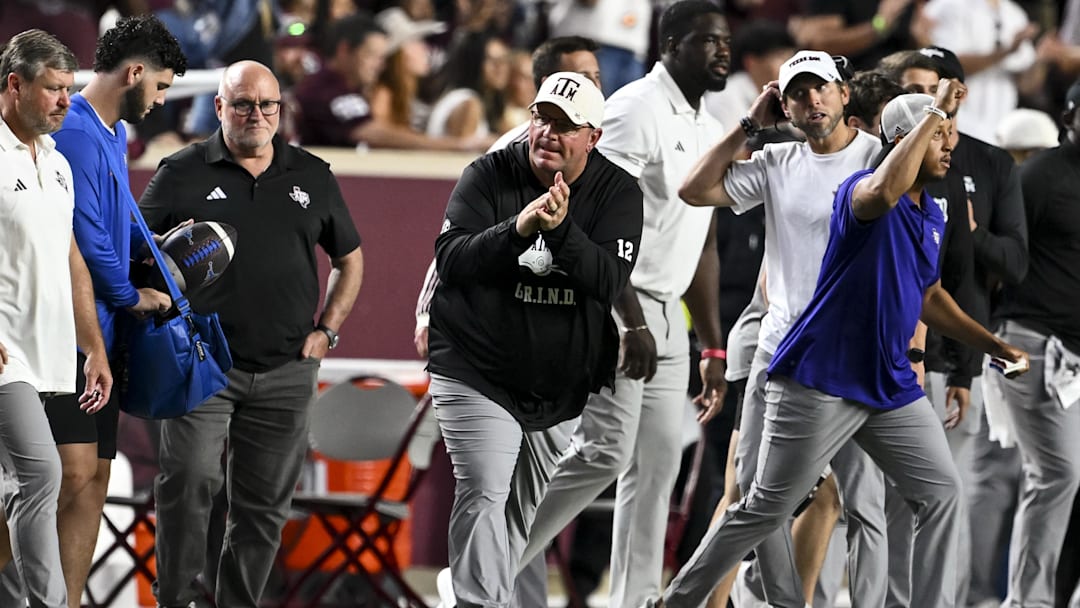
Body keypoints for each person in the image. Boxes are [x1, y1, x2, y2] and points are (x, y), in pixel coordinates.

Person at [653, 83, 1031, 608]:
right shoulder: (858, 193)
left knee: (941, 493)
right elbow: (882, 192)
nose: (949, 146)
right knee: (763, 506)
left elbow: (930, 297)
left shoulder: (935, 212)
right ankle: (675, 601)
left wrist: (996, 347)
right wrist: (935, 109)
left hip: (887, 381)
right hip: (819, 375)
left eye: (951, 134)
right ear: (900, 143)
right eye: (939, 135)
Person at [511, 4, 730, 606]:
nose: (722, 51)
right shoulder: (634, 108)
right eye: (708, 41)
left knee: (658, 469)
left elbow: (702, 238)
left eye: (726, 41)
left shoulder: (710, 124)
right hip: (618, 300)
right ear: (668, 44)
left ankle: (634, 600)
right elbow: (596, 216)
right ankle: (490, 557)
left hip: (668, 314)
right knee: (606, 452)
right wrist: (626, 315)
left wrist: (711, 342)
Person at [139, 60, 364, 608]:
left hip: (288, 367)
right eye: (242, 103)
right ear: (219, 107)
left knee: (263, 510)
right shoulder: (181, 171)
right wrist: (160, 287)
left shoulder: (312, 174)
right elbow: (137, 255)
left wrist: (326, 333)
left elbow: (350, 261)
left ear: (281, 110)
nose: (256, 115)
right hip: (202, 365)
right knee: (188, 484)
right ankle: (176, 599)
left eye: (268, 105)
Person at [426, 71, 643, 607]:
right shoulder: (487, 173)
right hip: (475, 367)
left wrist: (563, 231)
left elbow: (608, 281)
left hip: (558, 380)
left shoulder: (618, 191)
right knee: (484, 489)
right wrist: (518, 230)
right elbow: (450, 260)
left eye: (564, 125)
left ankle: (476, 597)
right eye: (540, 117)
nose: (547, 132)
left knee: (519, 516)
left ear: (592, 136)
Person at [680, 50, 886, 608]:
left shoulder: (878, 156)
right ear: (783, 102)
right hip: (783, 348)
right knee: (751, 493)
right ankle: (782, 602)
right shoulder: (777, 160)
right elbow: (694, 190)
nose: (811, 100)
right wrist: (750, 124)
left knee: (860, 501)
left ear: (845, 94)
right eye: (797, 92)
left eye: (821, 88)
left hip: (856, 351)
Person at [13, 16, 185, 608]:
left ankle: (65, 601)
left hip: (97, 340)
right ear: (134, 73)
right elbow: (86, 240)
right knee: (58, 480)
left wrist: (152, 253)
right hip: (55, 340)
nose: (160, 100)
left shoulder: (103, 138)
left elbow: (102, 230)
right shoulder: (79, 135)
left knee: (93, 482)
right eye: (160, 87)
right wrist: (131, 293)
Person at [0, 28, 113, 608]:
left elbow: (71, 260)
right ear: (15, 85)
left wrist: (92, 346)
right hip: (6, 357)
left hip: (52, 355)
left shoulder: (58, 161)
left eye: (70, 88)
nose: (67, 101)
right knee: (42, 474)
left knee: (68, 473)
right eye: (53, 89)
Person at [413, 34, 603, 359]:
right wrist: (428, 312)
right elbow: (457, 233)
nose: (595, 88)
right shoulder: (512, 149)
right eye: (582, 79)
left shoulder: (601, 143)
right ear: (548, 85)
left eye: (597, 78)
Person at [985, 78, 1080, 608]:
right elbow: (996, 256)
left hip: (1072, 352)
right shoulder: (1041, 176)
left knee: (1062, 480)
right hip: (1035, 344)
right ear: (1069, 117)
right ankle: (1026, 602)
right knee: (1056, 474)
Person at [293, 12, 484, 151]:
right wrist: (457, 145)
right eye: (371, 55)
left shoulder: (348, 88)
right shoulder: (324, 88)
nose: (379, 65)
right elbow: (371, 133)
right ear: (345, 50)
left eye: (382, 58)